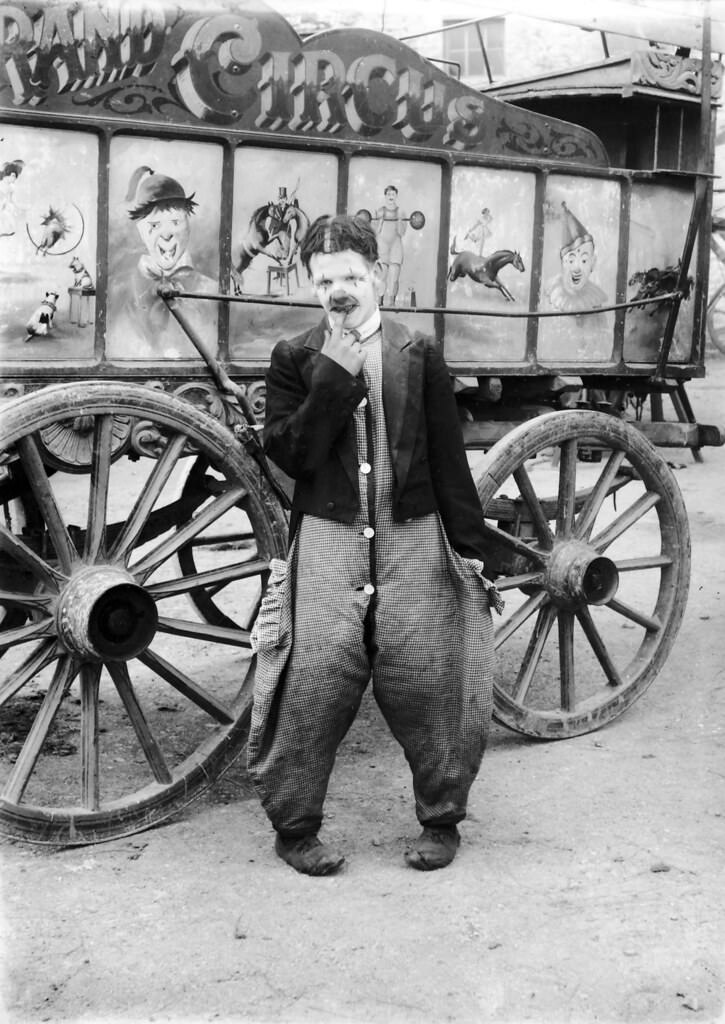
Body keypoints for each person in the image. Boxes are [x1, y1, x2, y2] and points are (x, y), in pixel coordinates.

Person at [247, 214, 501, 876]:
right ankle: (296, 827)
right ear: (310, 284)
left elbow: (448, 459)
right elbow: (294, 456)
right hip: (327, 542)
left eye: (351, 277)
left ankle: (440, 819)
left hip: (412, 536)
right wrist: (333, 373)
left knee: (428, 675)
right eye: (325, 279)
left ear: (376, 277)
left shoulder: (418, 353)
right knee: (311, 679)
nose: (339, 290)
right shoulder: (294, 358)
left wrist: (471, 549)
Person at [108, 166, 218, 358]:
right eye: (154, 225)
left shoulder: (211, 291)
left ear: (188, 226)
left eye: (176, 222)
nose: (167, 234)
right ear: (140, 230)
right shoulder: (118, 290)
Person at [375, 184, 407, 305]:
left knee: (394, 278)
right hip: (382, 246)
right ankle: (379, 302)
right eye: (388, 194)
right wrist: (380, 221)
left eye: (393, 194)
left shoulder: (401, 212)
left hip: (395, 247)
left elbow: (401, 232)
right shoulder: (380, 211)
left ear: (396, 196)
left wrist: (399, 220)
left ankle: (392, 302)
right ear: (385, 196)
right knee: (382, 277)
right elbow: (376, 231)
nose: (390, 196)